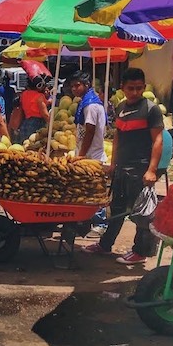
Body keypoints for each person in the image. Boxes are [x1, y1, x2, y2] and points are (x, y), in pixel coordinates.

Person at [83, 67, 164, 265]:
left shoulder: (151, 109)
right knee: (116, 209)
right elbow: (118, 137)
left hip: (141, 168)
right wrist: (113, 164)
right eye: (131, 88)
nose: (135, 92)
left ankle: (140, 252)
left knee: (141, 213)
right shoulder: (120, 108)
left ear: (144, 87)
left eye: (138, 88)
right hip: (122, 167)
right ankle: (105, 245)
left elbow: (158, 140)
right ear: (123, 88)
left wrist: (152, 170)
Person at [70, 71, 108, 237]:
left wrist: (82, 155)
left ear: (87, 85)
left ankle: (100, 224)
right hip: (89, 154)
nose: (74, 89)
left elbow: (90, 130)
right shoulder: (87, 102)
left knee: (95, 190)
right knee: (87, 191)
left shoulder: (91, 105)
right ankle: (87, 222)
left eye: (77, 85)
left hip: (92, 156)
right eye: (72, 86)